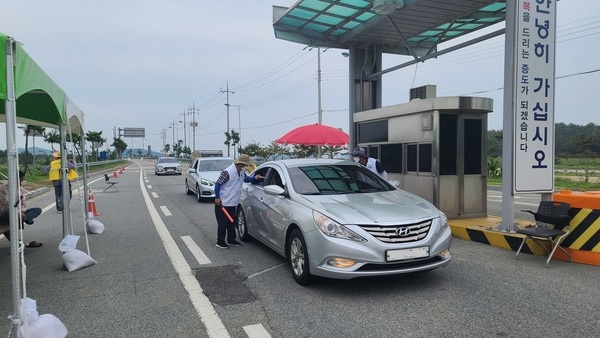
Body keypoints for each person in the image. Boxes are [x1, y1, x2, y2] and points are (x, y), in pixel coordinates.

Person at [213, 154, 263, 249]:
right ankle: (220, 241)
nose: (246, 167)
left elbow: (247, 179)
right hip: (223, 203)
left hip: (232, 203)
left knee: (232, 222)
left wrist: (255, 178)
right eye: (245, 165)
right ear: (241, 164)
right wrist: (217, 197)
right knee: (223, 223)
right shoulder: (227, 172)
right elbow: (217, 184)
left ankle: (231, 240)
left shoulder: (241, 172)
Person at [0, 170, 43, 247]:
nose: (22, 182)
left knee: (37, 210)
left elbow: (23, 201)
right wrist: (18, 212)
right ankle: (24, 218)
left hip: (18, 212)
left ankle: (25, 218)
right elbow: (7, 204)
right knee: (9, 211)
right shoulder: (4, 189)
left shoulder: (18, 188)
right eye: (21, 179)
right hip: (5, 213)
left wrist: (22, 211)